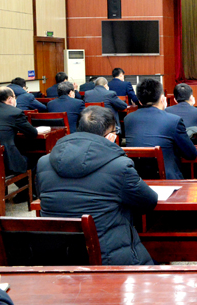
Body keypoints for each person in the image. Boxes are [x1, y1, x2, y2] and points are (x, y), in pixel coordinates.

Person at [37, 106, 158, 264]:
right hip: (108, 257)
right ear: (109, 137)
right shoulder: (119, 166)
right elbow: (148, 202)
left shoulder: (43, 163)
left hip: (60, 255)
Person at [124, 79, 197, 180]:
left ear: (140, 101)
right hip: (168, 181)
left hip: (137, 180)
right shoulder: (173, 120)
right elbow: (191, 154)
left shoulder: (128, 119)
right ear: (163, 99)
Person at [0, 87, 38, 175]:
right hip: (7, 161)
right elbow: (33, 133)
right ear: (10, 99)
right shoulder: (15, 112)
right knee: (35, 159)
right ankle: (29, 188)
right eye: (14, 97)